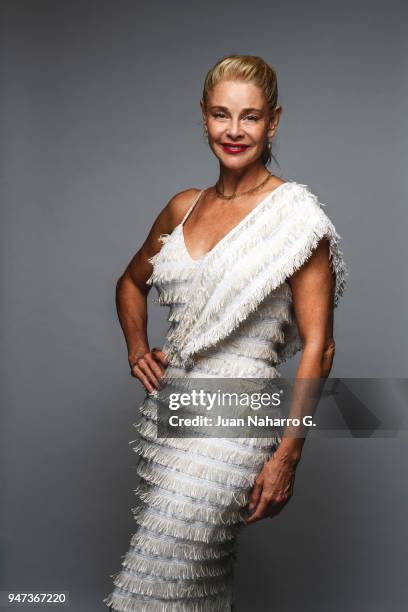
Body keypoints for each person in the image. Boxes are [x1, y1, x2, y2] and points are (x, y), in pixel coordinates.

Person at [103, 54, 348, 611]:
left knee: (152, 584)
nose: (234, 131)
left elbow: (320, 347)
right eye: (221, 115)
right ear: (204, 116)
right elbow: (128, 282)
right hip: (172, 412)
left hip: (236, 421)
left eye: (251, 117)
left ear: (274, 121)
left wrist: (288, 455)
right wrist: (138, 348)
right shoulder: (183, 207)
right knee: (196, 589)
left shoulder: (297, 217)